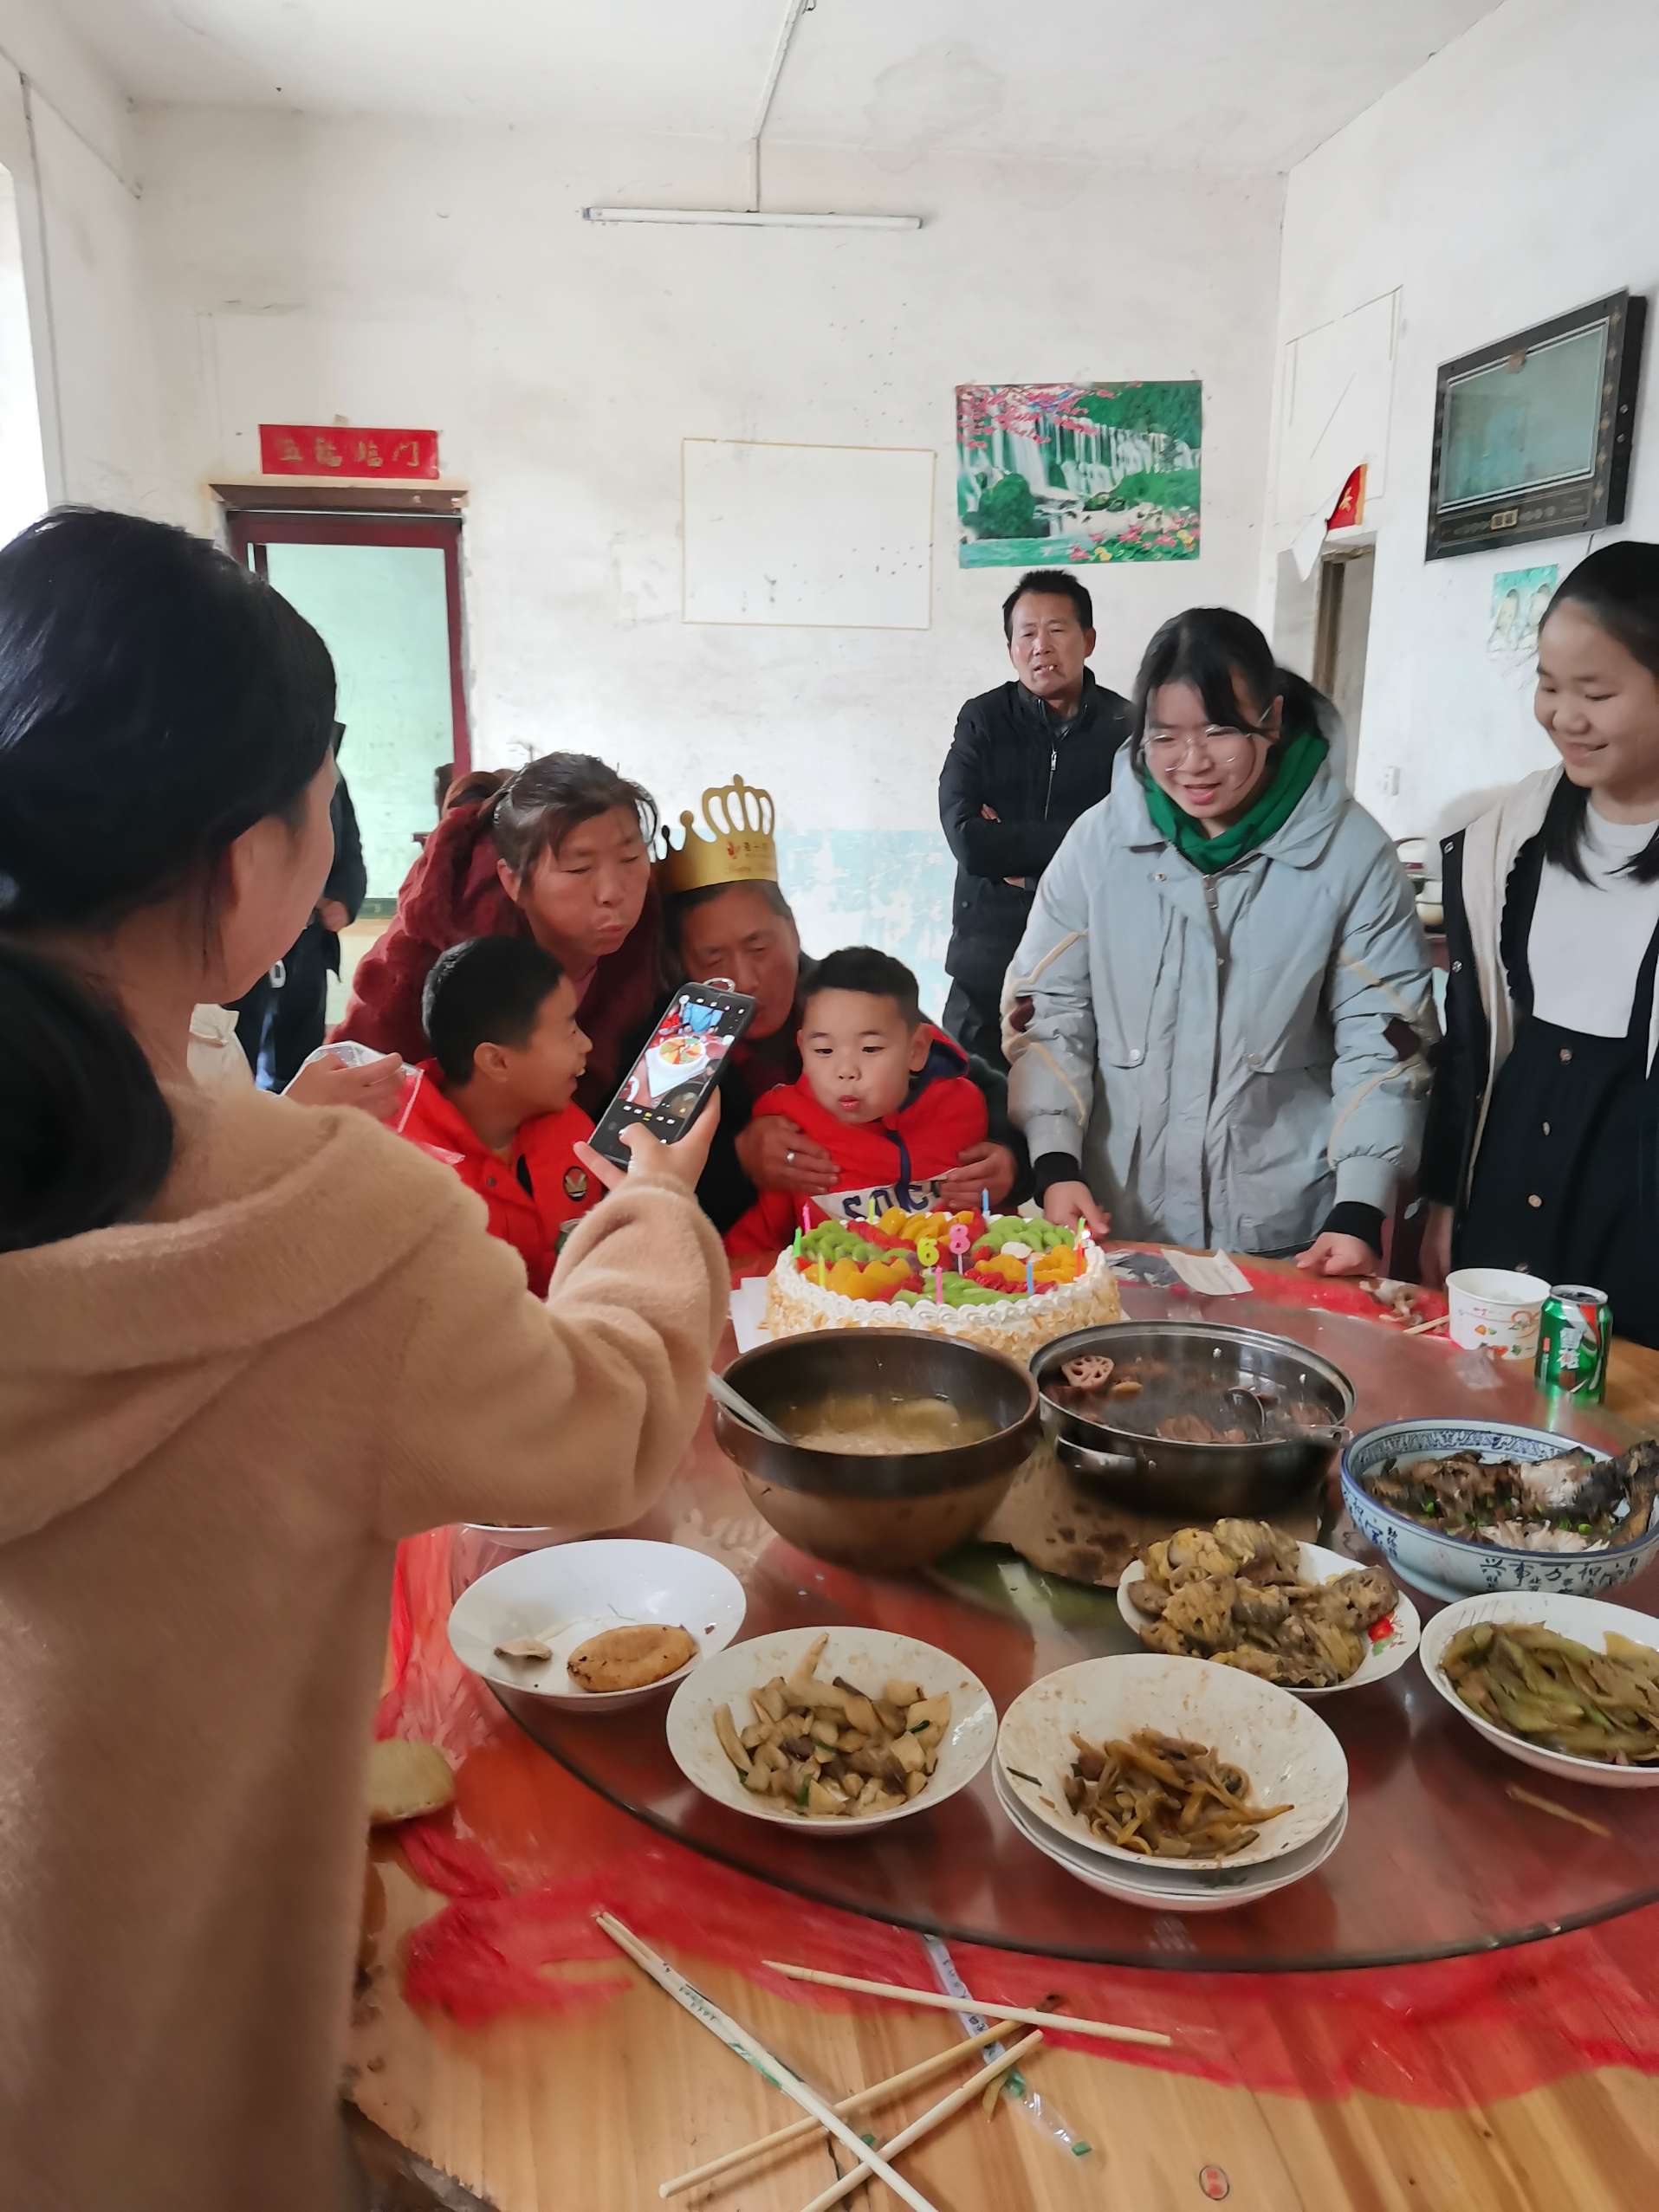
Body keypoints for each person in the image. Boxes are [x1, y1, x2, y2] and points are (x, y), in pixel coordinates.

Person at [0, 508, 727, 2210]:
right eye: (330, 795)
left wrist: (259, 1115)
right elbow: (609, 1421)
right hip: (158, 2091)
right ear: (247, 857)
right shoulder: (325, 1225)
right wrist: (652, 1198)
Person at [1007, 606, 1434, 1271]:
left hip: (1286, 1233)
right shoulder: (1098, 846)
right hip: (1119, 1221)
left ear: (1272, 718)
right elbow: (1050, 1011)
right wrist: (1055, 1162)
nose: (1192, 763)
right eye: (1164, 736)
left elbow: (1381, 1040)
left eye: (1219, 730)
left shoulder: (1350, 855)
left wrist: (1358, 1206)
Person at [1420, 543, 1659, 1344]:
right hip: (1508, 1179)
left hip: (1635, 1210)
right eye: (1549, 686)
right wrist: (1445, 1201)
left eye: (1596, 693)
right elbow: (1470, 1043)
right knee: (1481, 1402)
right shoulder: (1499, 840)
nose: (1563, 716)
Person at [641, 773, 1022, 1231]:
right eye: (713, 958)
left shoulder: (844, 996)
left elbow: (979, 1083)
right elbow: (640, 1184)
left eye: (759, 947)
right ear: (682, 964)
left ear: (793, 930)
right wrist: (737, 1159)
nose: (746, 979)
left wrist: (1009, 1161)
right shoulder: (677, 1043)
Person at [335, 750, 663, 1116]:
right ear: (513, 881)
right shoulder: (432, 958)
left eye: (630, 859)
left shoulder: (649, 935)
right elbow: (356, 1095)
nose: (612, 893)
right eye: (579, 868)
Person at [938, 570, 1131, 1069]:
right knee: (965, 1101)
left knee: (1071, 1106)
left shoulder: (1126, 729)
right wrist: (1079, 842)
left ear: (1089, 640)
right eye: (1026, 633)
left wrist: (1019, 863)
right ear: (1011, 650)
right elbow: (969, 841)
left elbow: (1126, 845)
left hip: (1083, 966)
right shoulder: (983, 718)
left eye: (1057, 629)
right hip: (984, 965)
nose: (1041, 646)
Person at [724, 946, 989, 1254]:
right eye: (824, 1051)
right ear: (803, 1049)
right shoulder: (789, 1127)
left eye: (870, 1049)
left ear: (916, 1049)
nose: (846, 1071)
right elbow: (758, 1239)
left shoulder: (961, 1109)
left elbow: (992, 1221)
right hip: (831, 1283)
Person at [398, 936, 598, 1296]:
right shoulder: (401, 1168)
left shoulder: (574, 1132)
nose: (587, 1044)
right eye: (569, 1031)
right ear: (497, 1061)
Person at [231, 725, 366, 1088]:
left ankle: (292, 1106)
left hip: (308, 937)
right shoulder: (244, 770)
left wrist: (344, 900)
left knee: (300, 1042)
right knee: (238, 1040)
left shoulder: (331, 777)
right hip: (248, 933)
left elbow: (350, 850)